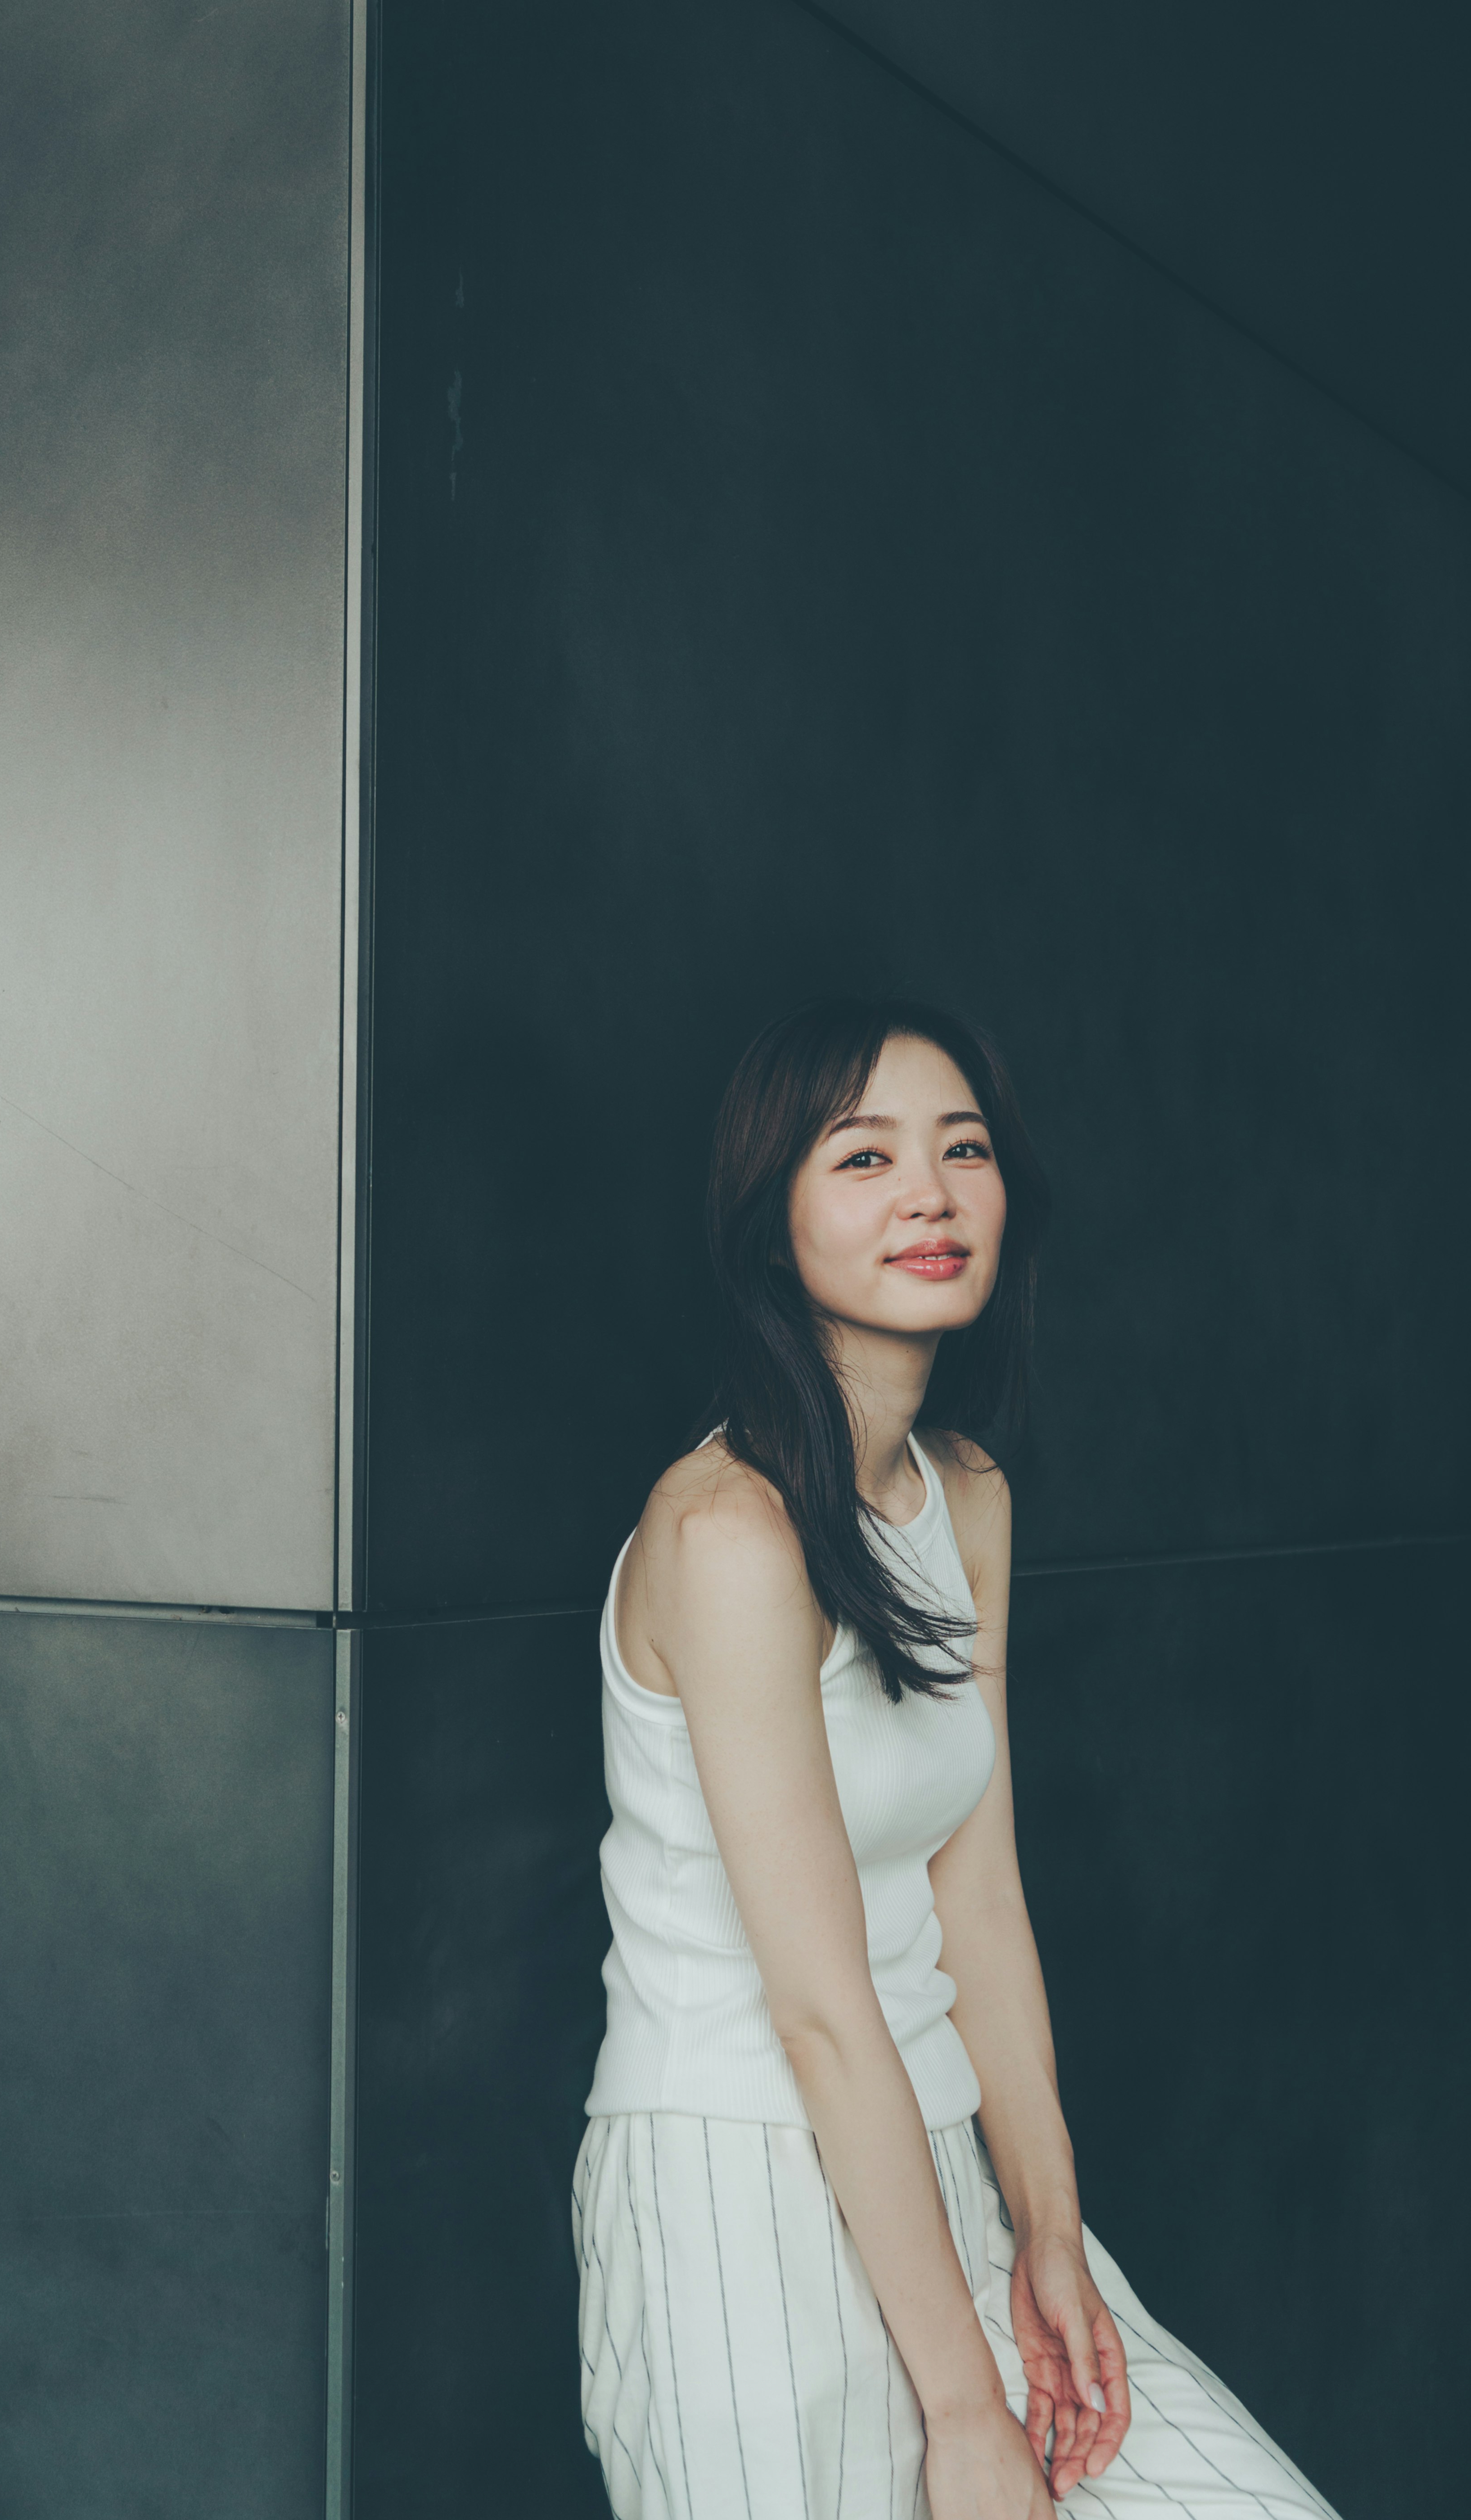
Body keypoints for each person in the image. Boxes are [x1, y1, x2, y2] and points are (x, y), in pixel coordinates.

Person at [573, 998, 1339, 2520]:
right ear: (769, 1221)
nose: (930, 1193)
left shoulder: (961, 1495)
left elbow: (976, 1900)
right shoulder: (725, 1533)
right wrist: (963, 2411)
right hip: (743, 2193)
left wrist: (1049, 2231)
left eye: (964, 1149)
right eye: (864, 1158)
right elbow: (817, 2006)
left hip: (946, 2174)